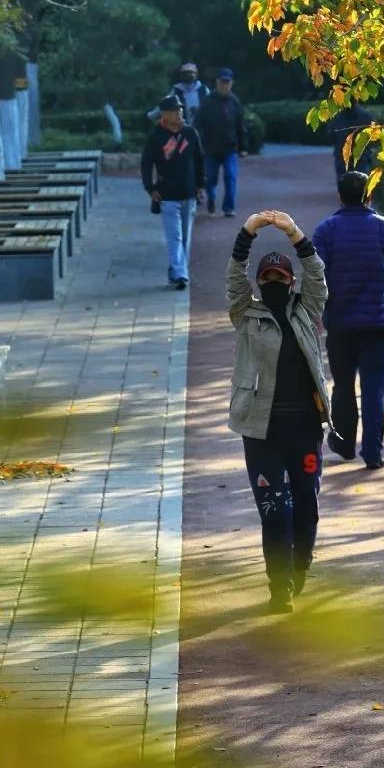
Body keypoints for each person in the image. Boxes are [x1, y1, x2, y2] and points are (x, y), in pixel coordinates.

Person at [227, 209, 330, 613]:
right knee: (275, 511)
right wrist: (248, 232)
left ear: (291, 282)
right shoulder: (245, 314)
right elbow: (234, 277)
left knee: (306, 507)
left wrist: (295, 234)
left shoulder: (307, 310)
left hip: (305, 427)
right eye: (266, 277)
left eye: (280, 277)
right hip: (261, 431)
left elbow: (316, 274)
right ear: (258, 283)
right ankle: (279, 586)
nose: (273, 282)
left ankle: (300, 565)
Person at [312, 170, 384, 471]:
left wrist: (313, 313)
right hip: (378, 323)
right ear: (371, 195)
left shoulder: (326, 231)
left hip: (340, 324)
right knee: (374, 388)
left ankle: (344, 443)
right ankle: (373, 452)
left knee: (343, 385)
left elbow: (315, 276)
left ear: (340, 196)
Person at [141, 95, 205, 290]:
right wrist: (150, 188)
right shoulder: (156, 135)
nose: (179, 113)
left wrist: (200, 185)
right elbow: (146, 163)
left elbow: (199, 160)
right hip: (167, 195)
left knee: (185, 237)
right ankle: (180, 274)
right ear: (164, 114)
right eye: (174, 110)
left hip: (188, 193)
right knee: (174, 237)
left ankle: (176, 271)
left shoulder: (190, 133)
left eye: (180, 109)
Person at [196, 68, 247, 218]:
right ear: (217, 82)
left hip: (230, 149)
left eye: (227, 82)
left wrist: (243, 147)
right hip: (210, 149)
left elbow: (241, 125)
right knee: (210, 179)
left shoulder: (234, 102)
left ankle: (228, 208)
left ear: (231, 83)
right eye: (222, 82)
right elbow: (198, 123)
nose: (224, 85)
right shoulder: (207, 101)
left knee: (230, 177)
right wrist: (198, 143)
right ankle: (211, 199)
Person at [328, 100, 375, 186]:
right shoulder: (366, 116)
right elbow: (374, 137)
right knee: (362, 183)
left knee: (343, 183)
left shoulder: (337, 118)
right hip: (361, 156)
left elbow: (331, 136)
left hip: (343, 156)